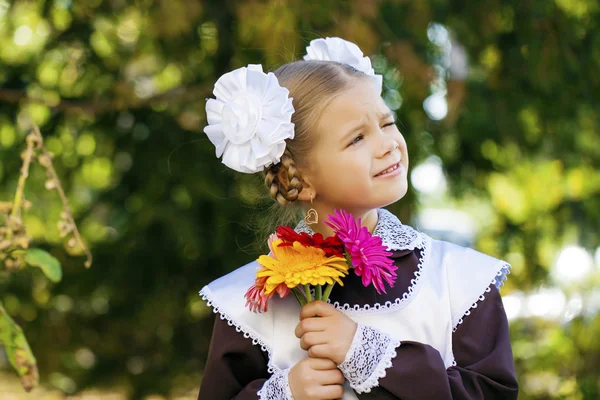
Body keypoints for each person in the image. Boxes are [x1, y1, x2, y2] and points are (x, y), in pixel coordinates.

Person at [197, 37, 519, 399]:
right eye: (357, 139)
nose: (388, 144)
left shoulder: (458, 282)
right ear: (295, 179)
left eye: (387, 123)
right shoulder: (246, 304)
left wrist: (365, 351)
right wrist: (285, 392)